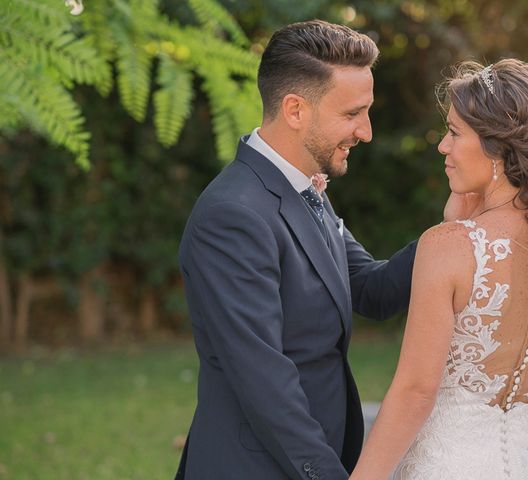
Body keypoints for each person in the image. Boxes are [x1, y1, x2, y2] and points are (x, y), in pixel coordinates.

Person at [350, 59, 528, 480]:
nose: (442, 147)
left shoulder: (449, 247)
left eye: (453, 133)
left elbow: (416, 391)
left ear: (498, 150)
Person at [174, 20, 417, 480]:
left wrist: (461, 231)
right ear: (294, 109)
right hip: (256, 466)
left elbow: (370, 289)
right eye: (352, 114)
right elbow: (265, 382)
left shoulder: (305, 189)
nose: (366, 132)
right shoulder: (233, 215)